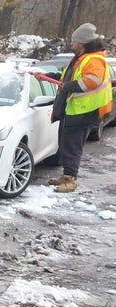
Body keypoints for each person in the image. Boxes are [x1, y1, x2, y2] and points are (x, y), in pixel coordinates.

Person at [49, 22, 113, 193]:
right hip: (76, 109)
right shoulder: (81, 58)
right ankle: (67, 175)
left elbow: (92, 81)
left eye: (74, 41)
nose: (71, 44)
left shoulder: (93, 60)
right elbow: (70, 76)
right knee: (66, 143)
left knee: (72, 146)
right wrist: (52, 76)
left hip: (84, 110)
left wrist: (68, 87)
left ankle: (71, 180)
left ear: (82, 43)